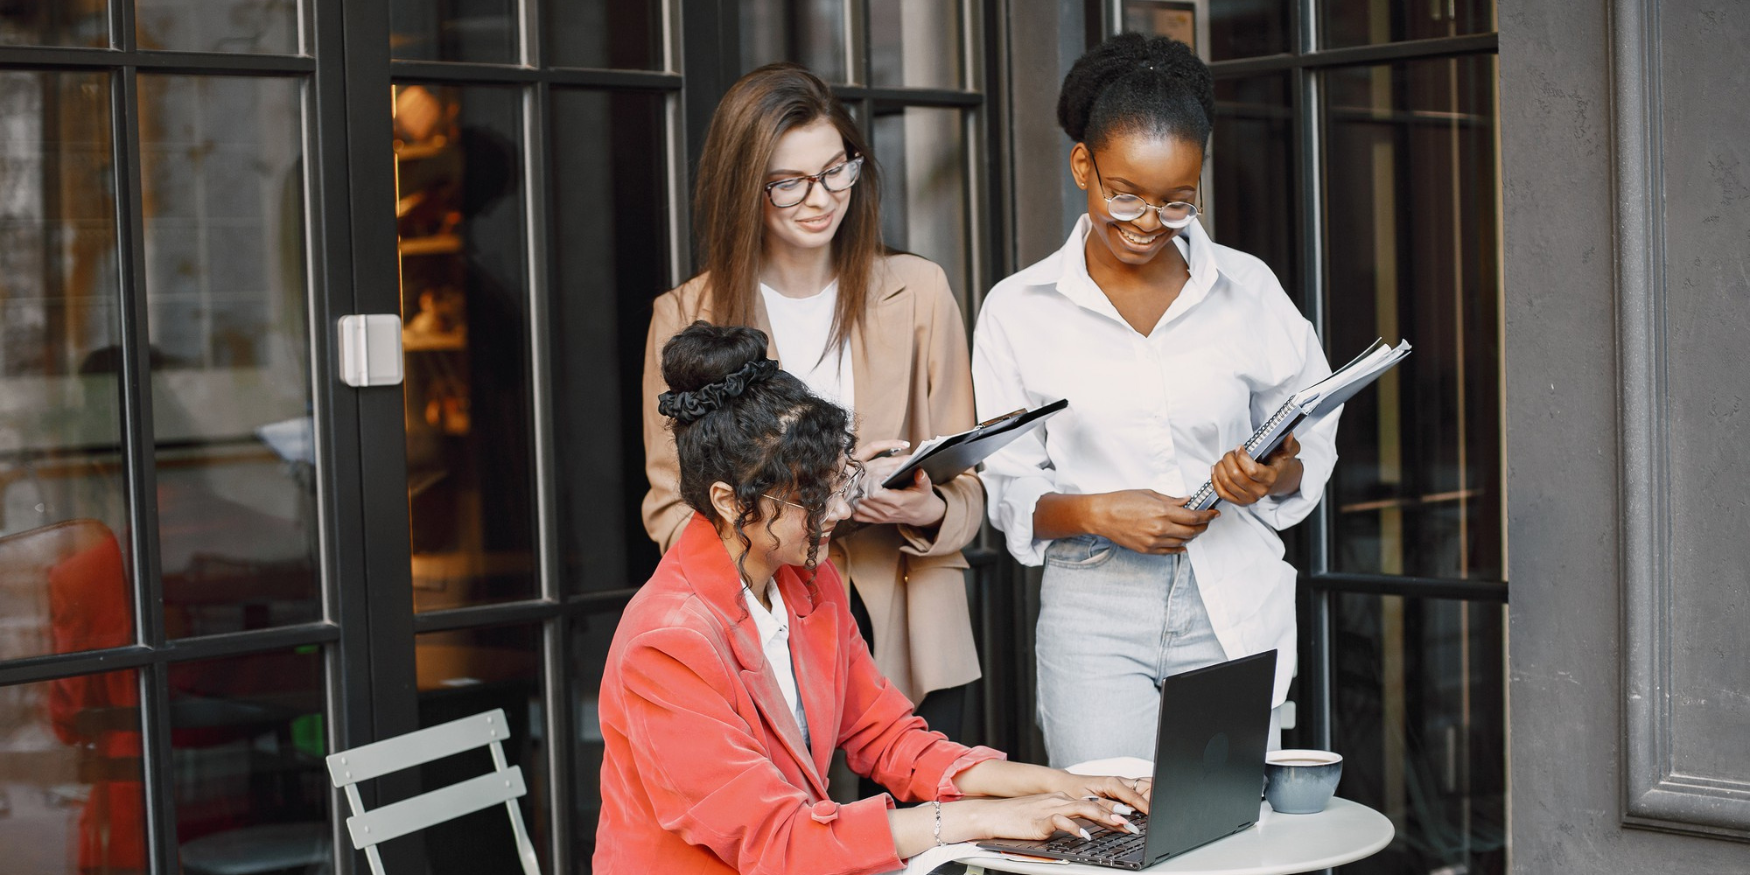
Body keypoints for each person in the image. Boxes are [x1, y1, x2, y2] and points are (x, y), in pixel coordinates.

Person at [596, 323, 1149, 873]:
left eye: (842, 483)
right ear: (726, 500)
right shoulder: (665, 642)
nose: (837, 511)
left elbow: (889, 738)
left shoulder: (807, 580)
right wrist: (985, 818)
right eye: (811, 498)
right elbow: (778, 840)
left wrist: (1069, 785)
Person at [972, 33, 1341, 768]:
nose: (1148, 222)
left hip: (1231, 596)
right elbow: (1009, 485)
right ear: (1083, 165)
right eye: (1126, 194)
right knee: (1111, 832)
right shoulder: (1019, 309)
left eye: (1177, 200)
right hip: (1092, 607)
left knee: (1225, 835)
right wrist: (1098, 511)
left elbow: (1314, 433)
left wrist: (1274, 470)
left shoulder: (1249, 290)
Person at [641, 63, 982, 737]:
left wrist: (929, 506)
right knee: (806, 838)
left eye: (837, 171)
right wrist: (816, 507)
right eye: (789, 183)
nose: (821, 198)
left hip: (916, 628)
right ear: (746, 188)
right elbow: (670, 512)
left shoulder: (918, 292)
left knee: (935, 824)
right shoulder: (686, 316)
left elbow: (970, 490)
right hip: (765, 632)